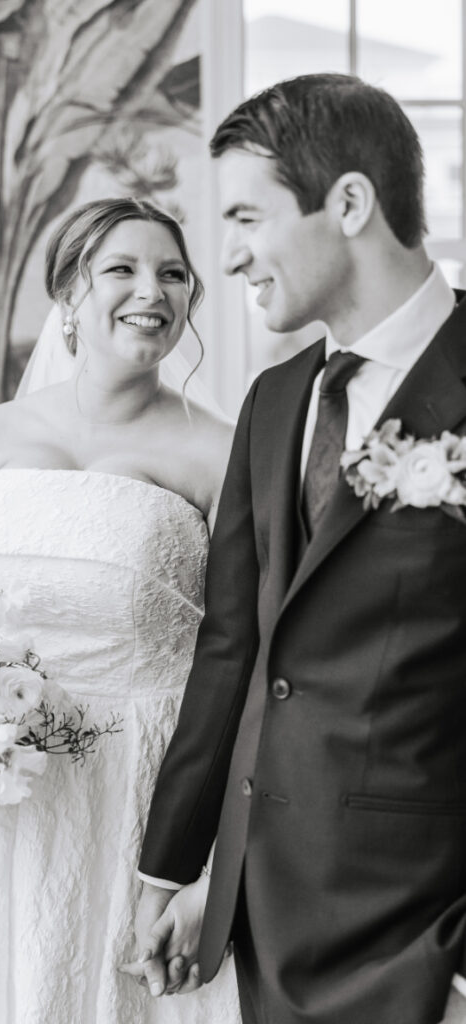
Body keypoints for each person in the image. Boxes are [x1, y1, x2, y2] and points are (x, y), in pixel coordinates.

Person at [0, 197, 241, 1023]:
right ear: (69, 293)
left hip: (137, 795)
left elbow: (239, 658)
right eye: (123, 269)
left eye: (173, 274)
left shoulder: (219, 453)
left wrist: (204, 864)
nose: (153, 291)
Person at [129, 74, 466, 1024]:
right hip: (271, 937)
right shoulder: (275, 403)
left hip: (428, 942)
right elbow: (237, 649)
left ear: (349, 203)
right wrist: (188, 875)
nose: (227, 255)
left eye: (247, 216)